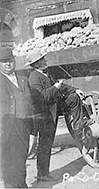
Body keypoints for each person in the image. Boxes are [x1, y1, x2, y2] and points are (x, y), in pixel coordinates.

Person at [27, 53, 89, 182]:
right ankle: (42, 174)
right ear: (36, 64)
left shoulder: (45, 73)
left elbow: (60, 85)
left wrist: (75, 90)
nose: (44, 61)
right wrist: (55, 88)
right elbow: (42, 97)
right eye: (41, 60)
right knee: (45, 144)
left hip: (52, 109)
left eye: (43, 59)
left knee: (73, 98)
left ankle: (78, 126)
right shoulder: (33, 77)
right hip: (44, 115)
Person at [0, 47, 32, 188]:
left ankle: (21, 184)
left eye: (10, 61)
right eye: (4, 61)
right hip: (6, 127)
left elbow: (30, 102)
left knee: (21, 157)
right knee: (8, 160)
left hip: (23, 125)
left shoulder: (23, 79)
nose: (8, 64)